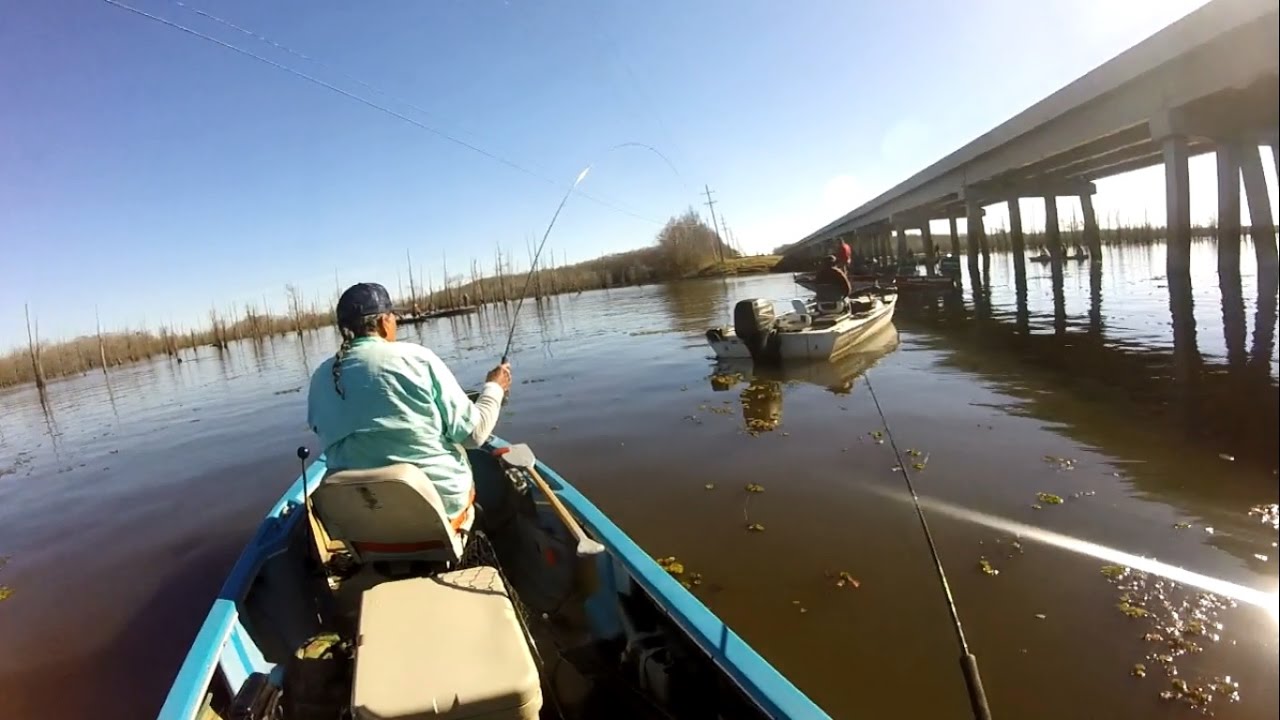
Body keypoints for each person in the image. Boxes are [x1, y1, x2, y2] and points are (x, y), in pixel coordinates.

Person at [307, 282, 512, 518]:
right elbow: (474, 435)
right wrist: (494, 388)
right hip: (439, 507)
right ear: (385, 322)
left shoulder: (319, 377)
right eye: (394, 317)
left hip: (360, 516)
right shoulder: (418, 358)